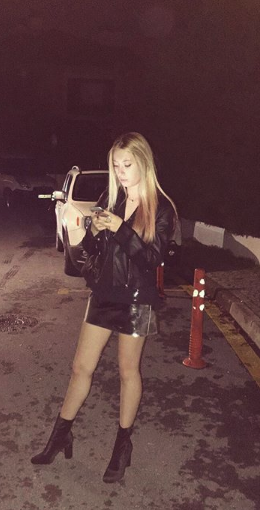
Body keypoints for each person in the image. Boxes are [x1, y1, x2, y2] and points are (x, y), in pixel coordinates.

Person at [31, 132, 177, 482]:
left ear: (143, 163)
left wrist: (122, 229)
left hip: (138, 299)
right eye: (116, 165)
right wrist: (93, 231)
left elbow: (153, 260)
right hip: (104, 294)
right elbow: (92, 249)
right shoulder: (110, 197)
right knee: (80, 367)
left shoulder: (161, 208)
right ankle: (60, 435)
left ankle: (122, 446)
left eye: (127, 164)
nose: (121, 172)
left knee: (128, 372)